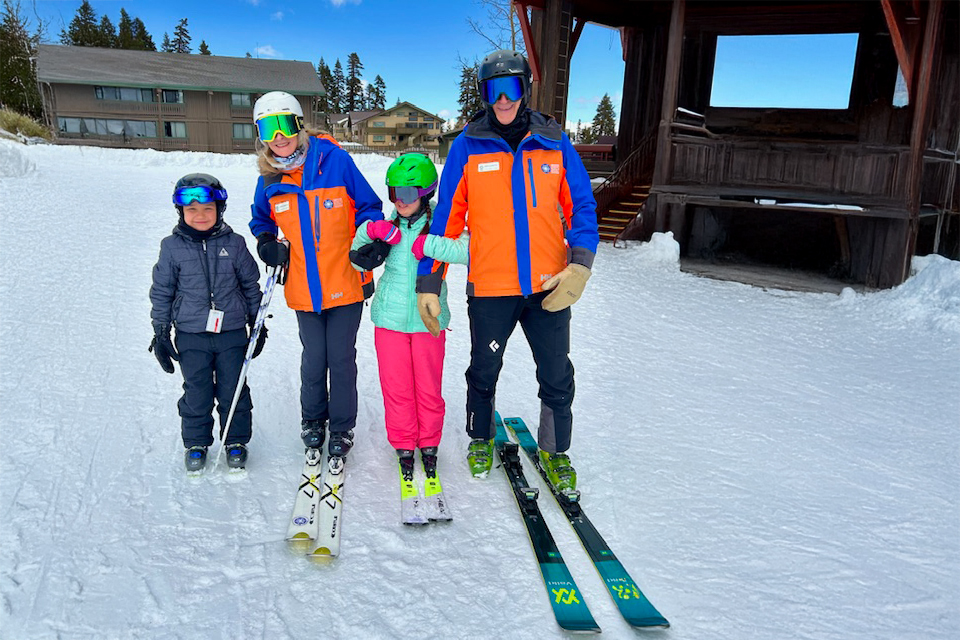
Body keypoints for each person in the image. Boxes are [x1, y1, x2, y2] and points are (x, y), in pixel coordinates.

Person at [416, 50, 599, 493]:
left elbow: (582, 207)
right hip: (491, 287)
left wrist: (579, 266)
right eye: (493, 90)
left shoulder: (554, 141)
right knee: (484, 367)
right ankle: (480, 437)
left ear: (525, 90)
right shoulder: (466, 146)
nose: (502, 99)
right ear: (483, 95)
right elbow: (446, 221)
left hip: (548, 285)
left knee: (556, 372)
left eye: (511, 88)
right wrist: (429, 281)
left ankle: (556, 452)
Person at [249, 90, 383, 458]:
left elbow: (370, 207)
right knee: (313, 357)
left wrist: (370, 239)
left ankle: (341, 427)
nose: (279, 136)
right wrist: (265, 242)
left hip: (345, 280)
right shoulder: (268, 180)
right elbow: (261, 219)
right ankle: (313, 420)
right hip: (304, 287)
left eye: (285, 125)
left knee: (340, 357)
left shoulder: (335, 161)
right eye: (268, 128)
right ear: (260, 135)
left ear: (298, 125)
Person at [349, 153, 468, 480]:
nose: (399, 201)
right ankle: (403, 442)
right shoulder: (386, 228)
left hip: (428, 322)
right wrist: (369, 230)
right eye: (394, 192)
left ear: (426, 193)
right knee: (397, 387)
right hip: (389, 321)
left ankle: (429, 443)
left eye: (407, 193)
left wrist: (430, 245)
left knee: (428, 387)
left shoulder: (440, 225)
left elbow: (466, 250)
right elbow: (358, 262)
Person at [149, 173, 266, 473]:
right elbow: (162, 290)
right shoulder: (171, 247)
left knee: (234, 388)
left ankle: (235, 439)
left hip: (231, 333)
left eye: (207, 209)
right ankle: (197, 442)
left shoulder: (236, 244)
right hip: (191, 334)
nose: (200, 215)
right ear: (181, 212)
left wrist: (257, 322)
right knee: (197, 390)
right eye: (192, 210)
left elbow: (250, 284)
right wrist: (161, 330)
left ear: (219, 210)